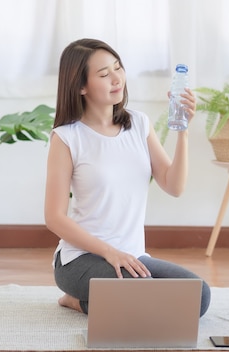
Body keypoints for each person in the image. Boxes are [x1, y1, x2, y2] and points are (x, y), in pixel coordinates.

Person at [44, 38, 211, 316]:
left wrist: (183, 130)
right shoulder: (67, 137)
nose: (116, 78)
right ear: (81, 86)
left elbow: (174, 185)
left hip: (133, 257)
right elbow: (54, 217)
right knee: (141, 290)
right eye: (103, 74)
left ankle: (92, 303)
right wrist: (109, 252)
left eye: (118, 68)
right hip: (80, 259)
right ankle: (75, 297)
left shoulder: (139, 124)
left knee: (198, 295)